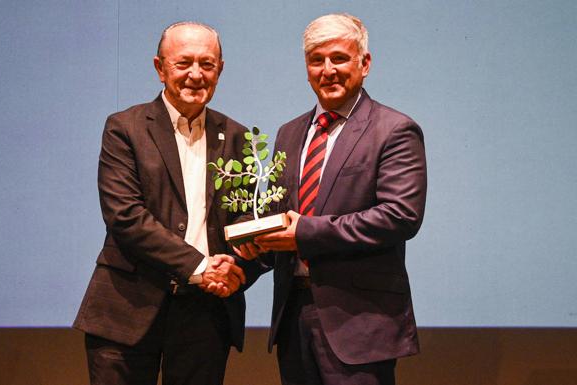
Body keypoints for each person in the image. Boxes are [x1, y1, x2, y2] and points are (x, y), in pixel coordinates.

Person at [240, 13, 427, 385]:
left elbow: (400, 216)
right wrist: (252, 249)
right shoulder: (289, 133)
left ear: (365, 63)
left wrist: (305, 232)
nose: (328, 70)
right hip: (293, 317)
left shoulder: (393, 130)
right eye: (316, 60)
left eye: (339, 58)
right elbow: (283, 219)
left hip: (359, 325)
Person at [73, 21, 255, 385]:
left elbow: (248, 222)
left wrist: (237, 269)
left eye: (207, 64)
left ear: (220, 70)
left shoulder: (238, 136)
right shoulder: (125, 127)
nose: (195, 74)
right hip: (128, 308)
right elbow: (125, 217)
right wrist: (200, 265)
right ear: (160, 68)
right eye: (183, 63)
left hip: (206, 313)